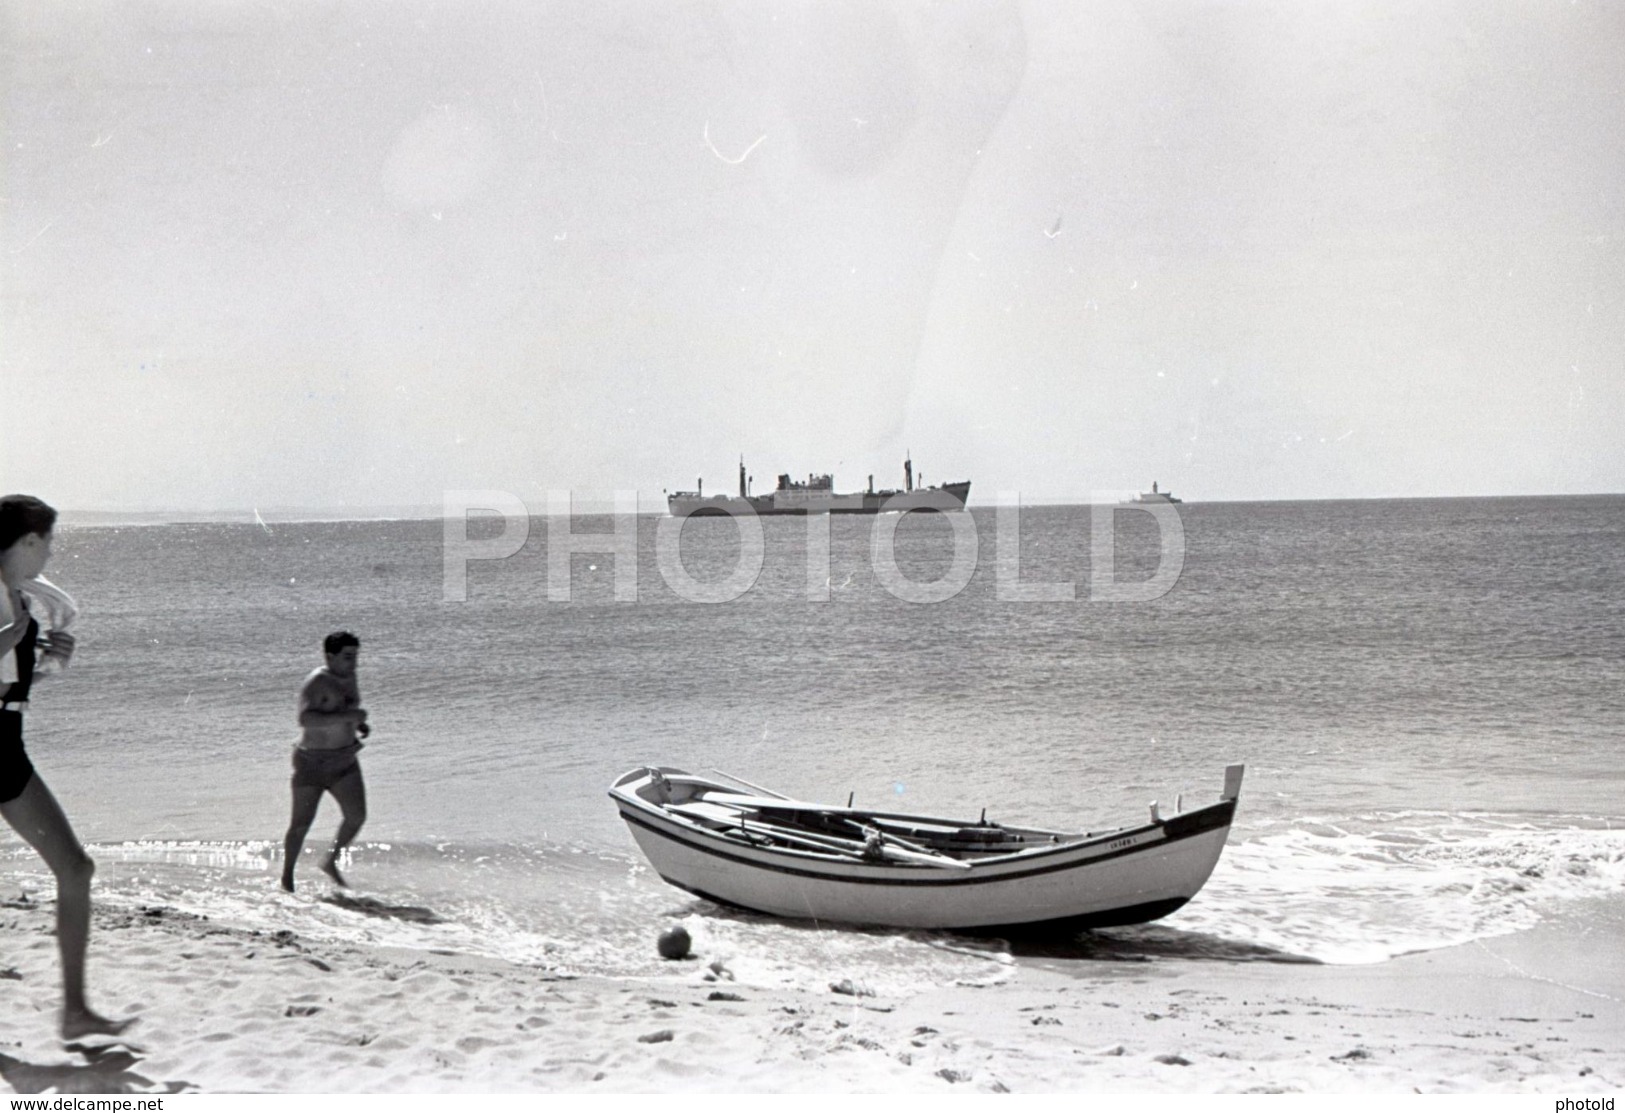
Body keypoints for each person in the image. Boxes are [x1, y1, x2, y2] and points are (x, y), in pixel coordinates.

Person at [1, 494, 132, 1041]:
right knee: (75, 870)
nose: (51, 553)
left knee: (76, 870)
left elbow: (10, 687)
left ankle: (74, 1012)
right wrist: (14, 635)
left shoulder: (15, 596)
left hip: (6, 742)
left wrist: (52, 661)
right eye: (48, 541)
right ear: (28, 541)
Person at [281, 631, 370, 892]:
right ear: (329, 656)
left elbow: (343, 709)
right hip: (312, 763)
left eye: (355, 656)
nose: (353, 663)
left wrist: (359, 723)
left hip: (344, 760)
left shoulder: (350, 676)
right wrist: (348, 716)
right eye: (347, 657)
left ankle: (330, 861)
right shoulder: (317, 681)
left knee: (356, 816)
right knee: (300, 825)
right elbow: (306, 719)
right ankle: (287, 879)